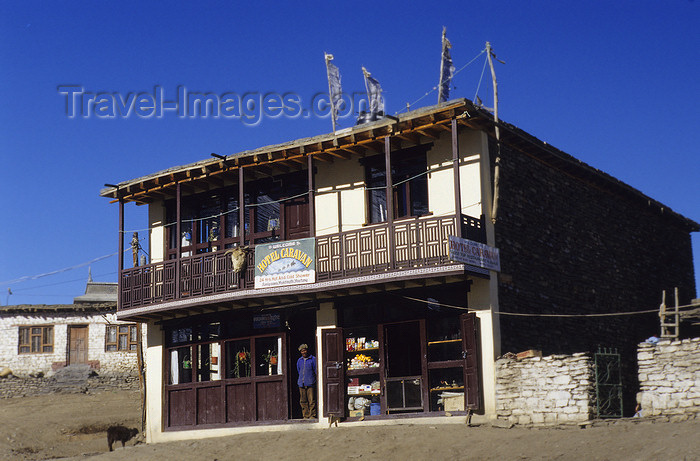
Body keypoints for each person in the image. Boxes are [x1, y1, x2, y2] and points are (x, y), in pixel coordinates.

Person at [296, 343, 317, 419]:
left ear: (307, 350)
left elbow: (315, 370)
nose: (303, 352)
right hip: (301, 383)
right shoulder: (299, 360)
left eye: (304, 350)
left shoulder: (313, 359)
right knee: (303, 401)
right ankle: (305, 415)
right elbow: (299, 371)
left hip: (310, 383)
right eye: (302, 351)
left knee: (311, 401)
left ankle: (312, 415)